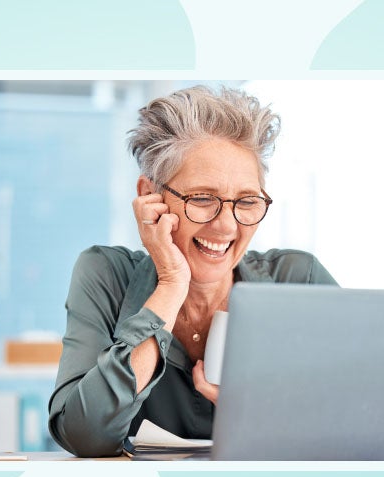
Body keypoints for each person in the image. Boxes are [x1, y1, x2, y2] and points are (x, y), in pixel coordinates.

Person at [48, 85, 337, 457]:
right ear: (149, 197)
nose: (227, 227)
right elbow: (85, 435)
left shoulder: (299, 280)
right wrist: (171, 284)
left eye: (246, 201)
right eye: (202, 199)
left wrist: (264, 414)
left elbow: (367, 420)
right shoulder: (106, 275)